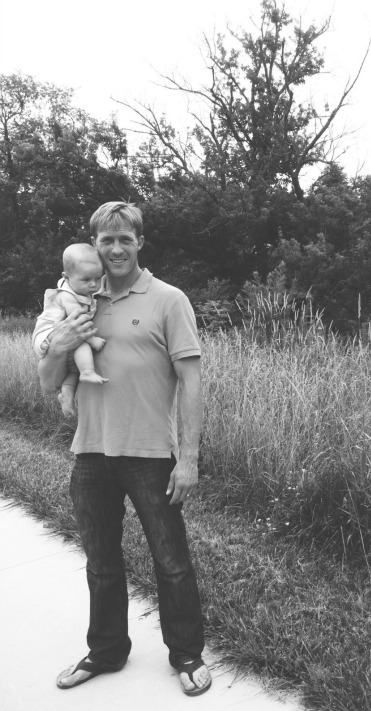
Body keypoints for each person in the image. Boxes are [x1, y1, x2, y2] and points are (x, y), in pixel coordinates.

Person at [37, 201, 211, 697]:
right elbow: (48, 382)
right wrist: (59, 341)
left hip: (151, 454)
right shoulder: (79, 301)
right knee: (100, 562)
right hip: (91, 453)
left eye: (125, 239)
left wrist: (189, 458)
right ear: (94, 245)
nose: (115, 249)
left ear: (140, 243)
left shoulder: (168, 299)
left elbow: (192, 382)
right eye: (106, 240)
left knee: (171, 561)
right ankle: (107, 650)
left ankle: (186, 653)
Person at [33, 243, 108, 418]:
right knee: (81, 342)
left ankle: (66, 394)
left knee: (74, 369)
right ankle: (88, 371)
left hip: (56, 334)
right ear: (66, 277)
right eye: (86, 279)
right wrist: (93, 340)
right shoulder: (66, 295)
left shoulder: (79, 289)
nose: (93, 284)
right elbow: (77, 323)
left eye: (98, 278)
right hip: (48, 333)